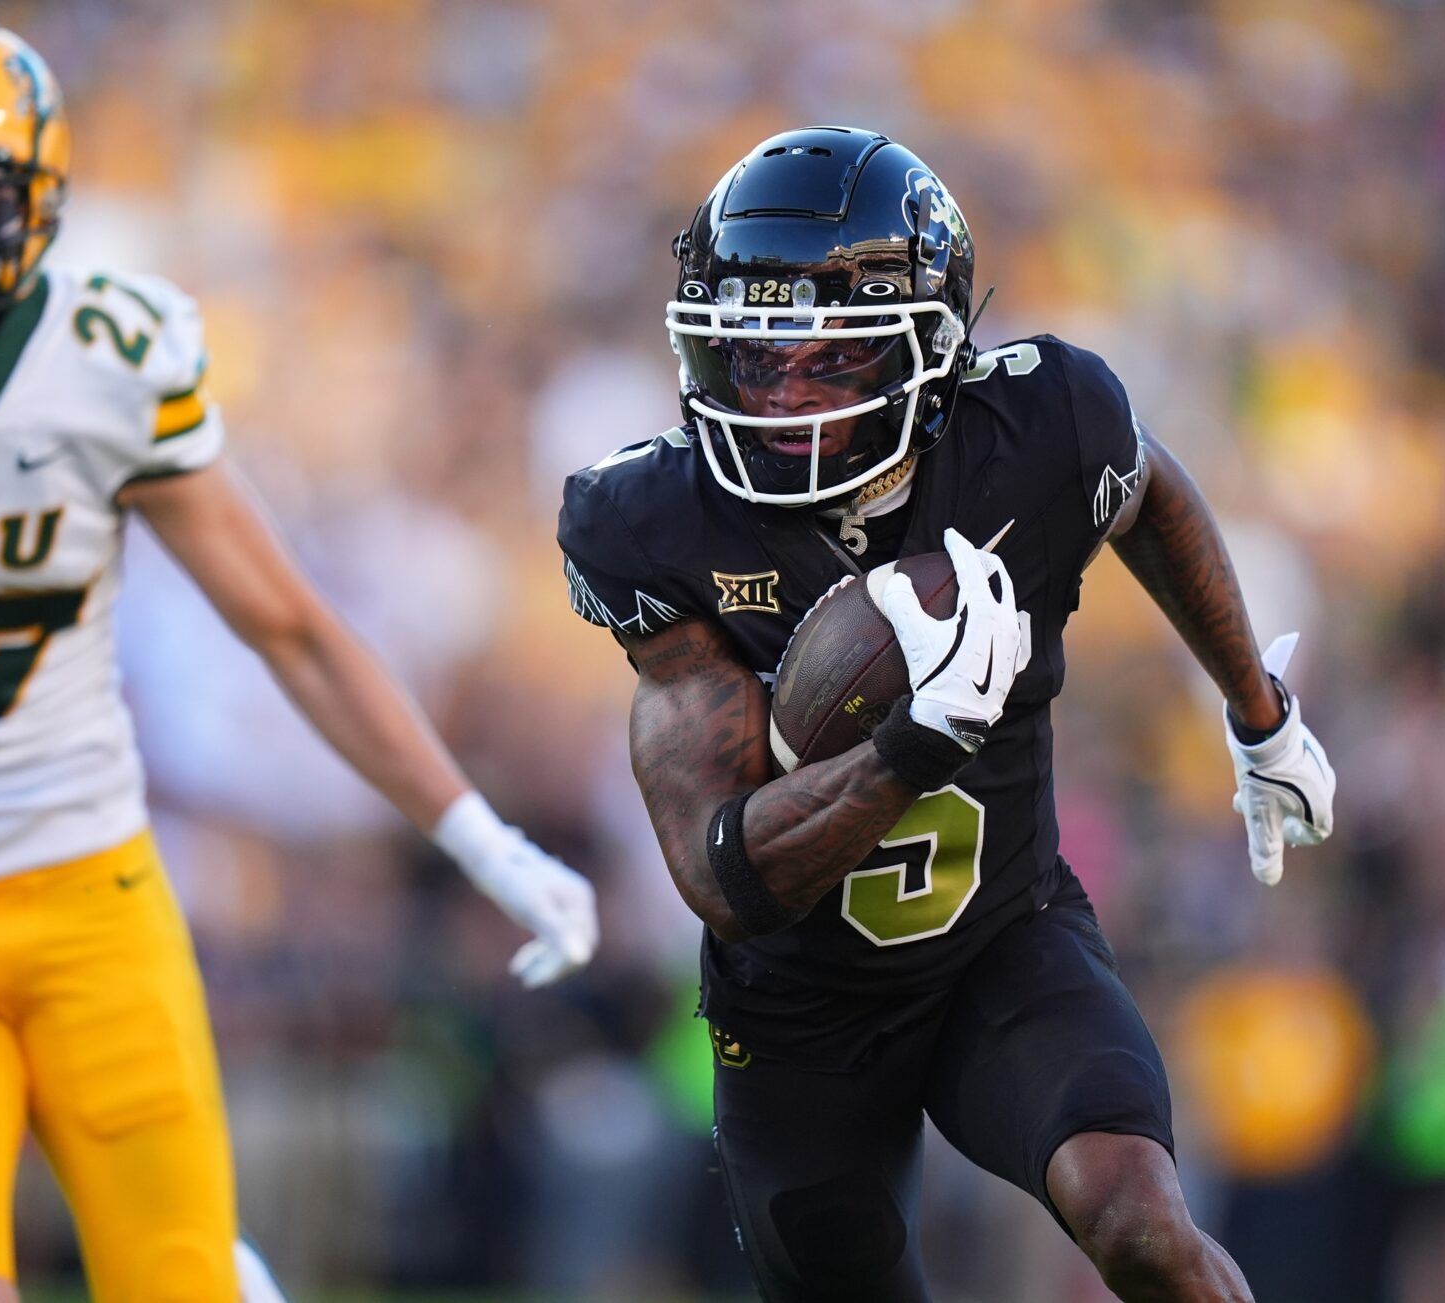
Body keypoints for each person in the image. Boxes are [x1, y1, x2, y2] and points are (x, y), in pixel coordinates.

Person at [0, 12, 597, 1301]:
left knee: (174, 1281)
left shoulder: (102, 357)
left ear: (26, 214)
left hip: (84, 897)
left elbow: (291, 628)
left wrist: (479, 837)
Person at [558, 125, 1336, 1301]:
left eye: (829, 362)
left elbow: (1146, 488)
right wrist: (910, 749)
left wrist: (1257, 707)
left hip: (1002, 942)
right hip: (797, 1009)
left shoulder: (1041, 426)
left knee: (1137, 1218)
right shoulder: (647, 524)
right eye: (754, 362)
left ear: (926, 349)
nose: (783, 401)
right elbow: (719, 873)